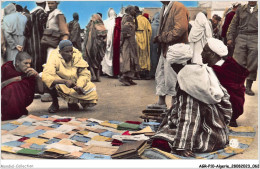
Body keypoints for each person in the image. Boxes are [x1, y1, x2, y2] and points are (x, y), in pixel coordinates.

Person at [151, 43, 232, 157]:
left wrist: (182, 146)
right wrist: (222, 124)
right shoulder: (202, 70)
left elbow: (189, 117)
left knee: (159, 142)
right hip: (219, 133)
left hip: (209, 138)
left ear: (175, 65)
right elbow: (225, 99)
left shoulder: (186, 82)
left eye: (171, 66)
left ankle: (184, 143)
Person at [147, 1, 189, 109]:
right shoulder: (164, 8)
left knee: (173, 78)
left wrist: (162, 37)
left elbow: (180, 29)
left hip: (176, 50)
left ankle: (176, 106)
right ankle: (161, 102)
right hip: (165, 49)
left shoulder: (178, 7)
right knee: (160, 74)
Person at [201, 38, 249, 127]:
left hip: (226, 110)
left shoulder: (213, 71)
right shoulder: (230, 64)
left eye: (204, 51)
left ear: (212, 54)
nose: (201, 54)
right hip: (236, 109)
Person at [42, 40, 98, 113]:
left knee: (91, 87)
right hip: (60, 82)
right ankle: (55, 103)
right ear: (60, 52)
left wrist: (79, 85)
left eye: (71, 51)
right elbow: (47, 76)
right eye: (66, 52)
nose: (70, 54)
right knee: (45, 79)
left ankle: (72, 102)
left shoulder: (77, 54)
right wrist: (64, 81)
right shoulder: (54, 56)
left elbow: (84, 73)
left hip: (74, 82)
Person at [227, 1, 258, 96]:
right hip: (241, 36)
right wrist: (230, 37)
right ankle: (237, 85)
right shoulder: (241, 9)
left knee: (252, 63)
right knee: (237, 62)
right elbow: (233, 24)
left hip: (255, 37)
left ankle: (248, 87)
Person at [1, 51, 44, 121]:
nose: (28, 66)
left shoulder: (30, 73)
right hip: (5, 105)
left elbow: (41, 91)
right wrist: (13, 80)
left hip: (22, 104)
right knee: (13, 87)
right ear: (17, 62)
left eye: (29, 63)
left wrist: (37, 76)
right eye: (25, 63)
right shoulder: (6, 67)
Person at [119, 6, 139, 86]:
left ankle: (129, 79)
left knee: (132, 59)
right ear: (130, 10)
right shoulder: (127, 18)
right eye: (134, 10)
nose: (135, 12)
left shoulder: (131, 18)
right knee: (128, 59)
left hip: (131, 42)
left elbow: (136, 28)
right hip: (128, 43)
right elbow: (124, 31)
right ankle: (124, 77)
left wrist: (135, 18)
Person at [83, 14, 107, 82]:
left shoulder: (91, 25)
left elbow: (87, 37)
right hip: (99, 48)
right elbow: (105, 37)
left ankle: (94, 75)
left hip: (92, 47)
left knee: (90, 61)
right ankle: (97, 76)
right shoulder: (102, 25)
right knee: (98, 62)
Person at [25, 1, 48, 73]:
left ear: (36, 3)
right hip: (41, 45)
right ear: (44, 4)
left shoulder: (30, 15)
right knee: (41, 64)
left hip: (31, 44)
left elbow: (26, 31)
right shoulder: (43, 14)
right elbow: (45, 30)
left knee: (32, 63)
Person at [135, 6, 152, 80]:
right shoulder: (145, 20)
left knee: (137, 56)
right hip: (145, 40)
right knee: (145, 56)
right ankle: (146, 74)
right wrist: (148, 38)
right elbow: (150, 31)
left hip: (136, 40)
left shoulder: (134, 20)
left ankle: (138, 74)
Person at [101, 8, 117, 77]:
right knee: (113, 56)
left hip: (107, 42)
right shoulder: (116, 21)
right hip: (114, 42)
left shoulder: (105, 22)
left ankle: (108, 72)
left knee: (107, 56)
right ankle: (114, 72)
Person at [112, 7, 125, 77]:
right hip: (121, 42)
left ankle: (116, 72)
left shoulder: (116, 25)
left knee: (117, 57)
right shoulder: (121, 24)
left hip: (116, 43)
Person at [149, 12, 160, 78]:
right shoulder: (161, 26)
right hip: (158, 45)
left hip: (151, 44)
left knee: (151, 57)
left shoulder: (150, 25)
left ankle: (151, 72)